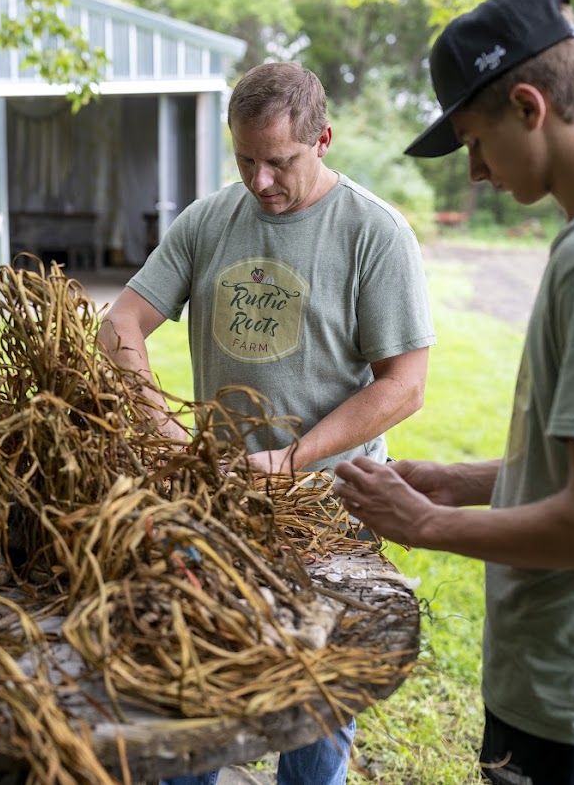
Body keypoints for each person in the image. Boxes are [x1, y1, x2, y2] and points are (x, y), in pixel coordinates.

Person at [333, 0, 574, 785]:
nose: (474, 173)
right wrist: (461, 482)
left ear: (527, 105)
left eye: (474, 141)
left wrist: (423, 523)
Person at [99, 61, 435, 785]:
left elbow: (403, 386)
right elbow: (120, 321)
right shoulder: (208, 220)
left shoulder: (372, 233)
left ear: (322, 139)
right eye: (244, 159)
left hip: (325, 507)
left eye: (278, 161)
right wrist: (164, 433)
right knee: (190, 689)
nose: (259, 181)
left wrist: (294, 458)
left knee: (314, 705)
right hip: (214, 504)